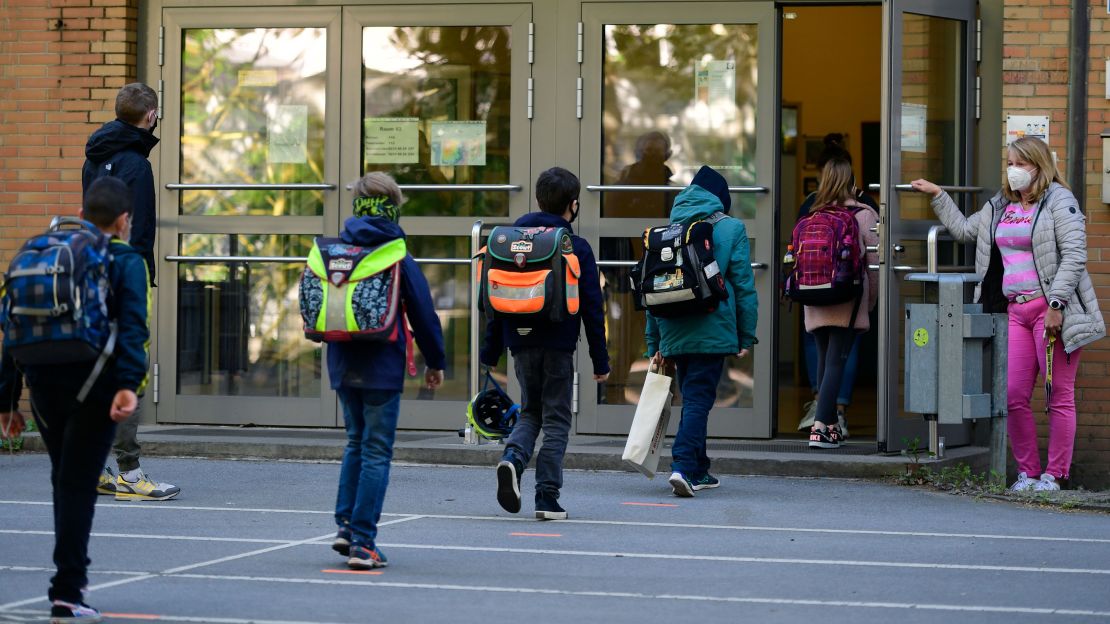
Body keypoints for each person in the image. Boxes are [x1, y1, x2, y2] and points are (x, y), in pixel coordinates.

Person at [911, 136, 1105, 491]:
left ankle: (1055, 475)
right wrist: (939, 196)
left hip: (1051, 311)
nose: (1013, 170)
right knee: (1013, 395)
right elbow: (966, 231)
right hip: (1016, 311)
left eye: (1020, 163)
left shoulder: (1059, 201)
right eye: (1010, 162)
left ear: (1039, 166)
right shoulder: (1001, 204)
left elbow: (1075, 256)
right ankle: (1028, 474)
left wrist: (1056, 304)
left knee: (1057, 394)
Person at [0, 177, 152, 623]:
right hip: (97, 384)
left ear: (84, 216)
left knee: (64, 478)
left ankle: (68, 585)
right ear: (124, 221)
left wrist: (7, 399)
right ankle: (67, 590)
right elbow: (133, 326)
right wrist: (130, 385)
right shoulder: (125, 259)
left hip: (43, 381)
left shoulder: (43, 252)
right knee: (78, 484)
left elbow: (10, 326)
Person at [328, 172, 447, 568]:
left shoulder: (338, 252)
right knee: (376, 449)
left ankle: (345, 528)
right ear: (393, 208)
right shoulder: (396, 254)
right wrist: (436, 361)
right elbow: (425, 315)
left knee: (355, 442)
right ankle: (364, 542)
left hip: (343, 362)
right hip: (382, 365)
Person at [482, 167, 610, 520]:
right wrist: (600, 362)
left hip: (518, 344)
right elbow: (592, 308)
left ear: (538, 199)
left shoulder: (509, 244)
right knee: (556, 419)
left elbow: (492, 302)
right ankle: (547, 498)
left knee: (530, 411)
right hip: (558, 345)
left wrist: (489, 353)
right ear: (573, 205)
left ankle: (512, 459)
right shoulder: (574, 246)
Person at [82, 82, 178, 501]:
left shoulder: (96, 156)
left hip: (92, 269)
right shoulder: (136, 164)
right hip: (124, 274)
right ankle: (129, 472)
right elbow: (135, 229)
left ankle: (96, 465)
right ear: (151, 116)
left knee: (99, 368)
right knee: (129, 368)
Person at [645, 165, 758, 497]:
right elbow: (744, 286)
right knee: (698, 398)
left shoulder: (668, 231)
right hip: (712, 327)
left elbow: (652, 291)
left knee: (694, 395)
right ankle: (682, 467)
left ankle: (700, 468)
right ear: (721, 200)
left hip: (673, 328)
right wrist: (745, 334)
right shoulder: (731, 229)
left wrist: (655, 340)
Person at [795, 133, 878, 436]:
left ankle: (827, 421)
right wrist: (869, 303)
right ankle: (823, 425)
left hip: (813, 295)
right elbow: (875, 265)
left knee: (822, 357)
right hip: (848, 296)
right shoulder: (865, 212)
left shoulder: (811, 209)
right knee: (838, 358)